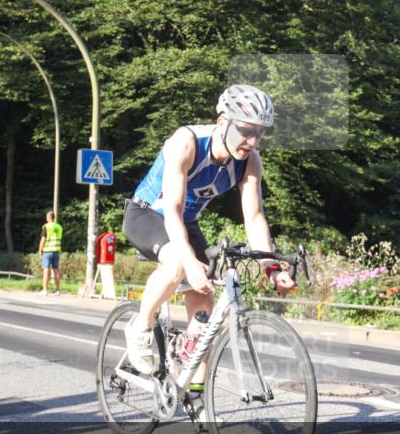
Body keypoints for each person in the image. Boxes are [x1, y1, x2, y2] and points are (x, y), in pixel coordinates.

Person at [122, 84, 296, 381]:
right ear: (222, 122)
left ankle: (195, 396)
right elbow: (173, 210)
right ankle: (140, 327)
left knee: (205, 307)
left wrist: (270, 266)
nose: (252, 141)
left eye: (260, 133)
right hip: (148, 214)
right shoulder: (186, 142)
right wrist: (189, 261)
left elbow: (254, 217)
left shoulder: (249, 162)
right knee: (179, 263)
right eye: (245, 130)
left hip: (186, 223)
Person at [38, 211, 63, 296]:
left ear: (48, 217)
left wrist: (40, 250)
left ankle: (45, 291)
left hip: (47, 251)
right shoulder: (59, 227)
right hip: (56, 251)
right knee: (56, 271)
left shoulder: (46, 227)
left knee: (46, 271)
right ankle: (57, 290)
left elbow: (43, 240)